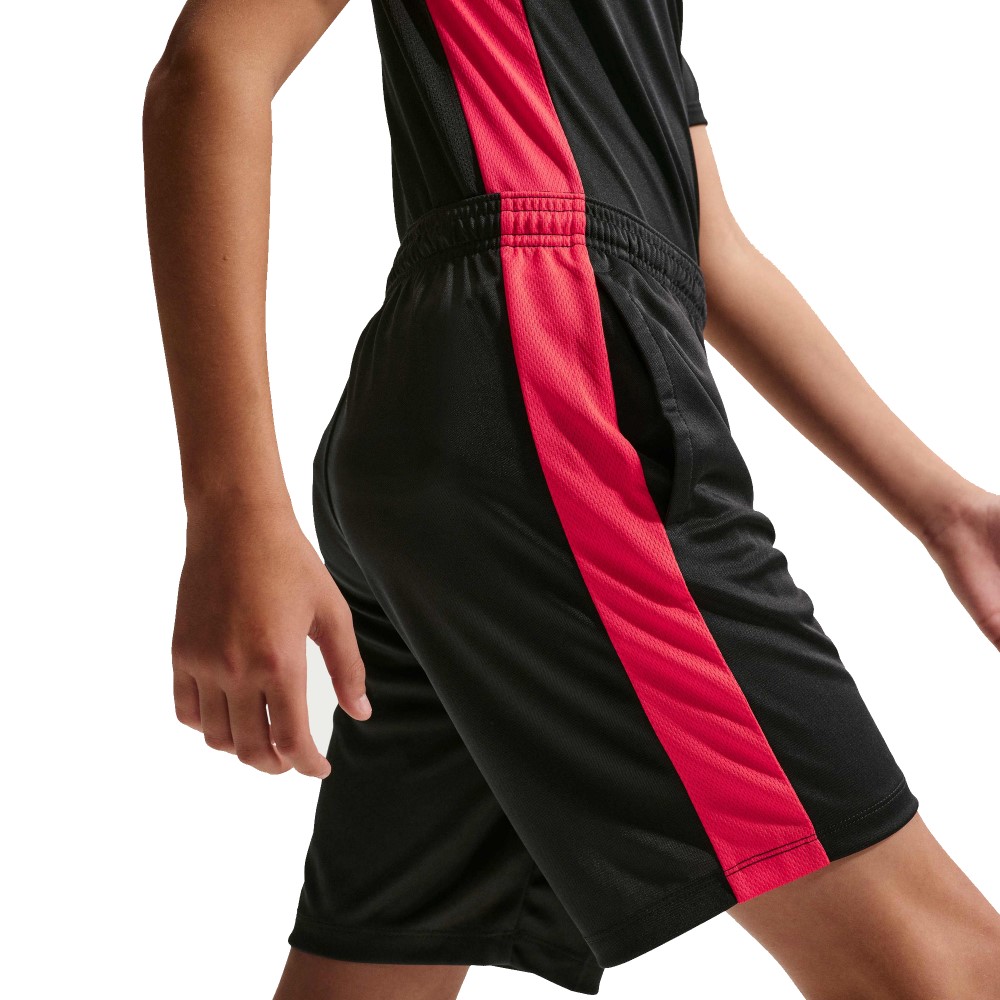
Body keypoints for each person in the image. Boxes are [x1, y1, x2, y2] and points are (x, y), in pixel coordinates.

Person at [142, 0, 1000, 996]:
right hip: (550, 383)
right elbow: (213, 66)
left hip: (471, 415)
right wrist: (233, 507)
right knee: (950, 970)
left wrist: (944, 509)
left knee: (374, 972)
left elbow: (707, 245)